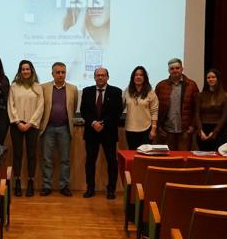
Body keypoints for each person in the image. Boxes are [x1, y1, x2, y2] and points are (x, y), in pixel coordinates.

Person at [80, 67, 123, 199]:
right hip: (91, 132)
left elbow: (117, 112)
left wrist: (102, 123)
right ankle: (90, 188)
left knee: (112, 161)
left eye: (103, 75)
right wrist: (93, 123)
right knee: (90, 161)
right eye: (98, 75)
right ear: (94, 77)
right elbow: (83, 111)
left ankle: (111, 189)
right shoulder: (87, 91)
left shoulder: (116, 92)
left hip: (108, 132)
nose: (100, 77)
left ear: (107, 77)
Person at [39, 62, 79, 197]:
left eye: (63, 72)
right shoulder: (43, 87)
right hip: (48, 128)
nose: (61, 75)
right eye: (58, 72)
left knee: (65, 159)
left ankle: (64, 186)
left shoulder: (73, 89)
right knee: (47, 159)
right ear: (52, 73)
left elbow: (73, 108)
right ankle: (46, 186)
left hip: (64, 128)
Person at [8, 60, 44, 197]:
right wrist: (18, 122)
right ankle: (17, 182)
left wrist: (30, 123)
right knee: (17, 154)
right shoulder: (14, 86)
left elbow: (41, 106)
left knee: (31, 155)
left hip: (32, 125)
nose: (25, 71)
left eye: (28, 69)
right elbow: (10, 105)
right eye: (23, 69)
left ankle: (30, 182)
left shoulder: (37, 87)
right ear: (20, 71)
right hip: (17, 125)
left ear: (32, 70)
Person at [155, 58, 199, 151]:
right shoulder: (161, 86)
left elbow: (197, 108)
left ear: (182, 69)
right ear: (168, 71)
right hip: (167, 130)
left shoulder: (191, 85)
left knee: (183, 159)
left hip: (185, 131)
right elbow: (155, 109)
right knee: (168, 159)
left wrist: (193, 126)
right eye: (172, 69)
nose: (175, 70)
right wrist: (158, 127)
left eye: (177, 68)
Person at [123, 66, 158, 150]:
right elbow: (120, 106)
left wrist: (153, 129)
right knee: (132, 155)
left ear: (144, 78)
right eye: (136, 75)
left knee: (145, 156)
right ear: (133, 77)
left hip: (146, 129)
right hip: (130, 129)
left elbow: (154, 111)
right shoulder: (127, 91)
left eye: (141, 75)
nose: (138, 77)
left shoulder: (150, 92)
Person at [195, 68, 227, 151]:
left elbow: (225, 116)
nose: (211, 79)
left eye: (213, 77)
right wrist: (200, 130)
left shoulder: (225, 96)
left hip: (219, 131)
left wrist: (215, 132)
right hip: (203, 130)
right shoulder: (200, 96)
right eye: (208, 78)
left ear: (218, 79)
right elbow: (197, 114)